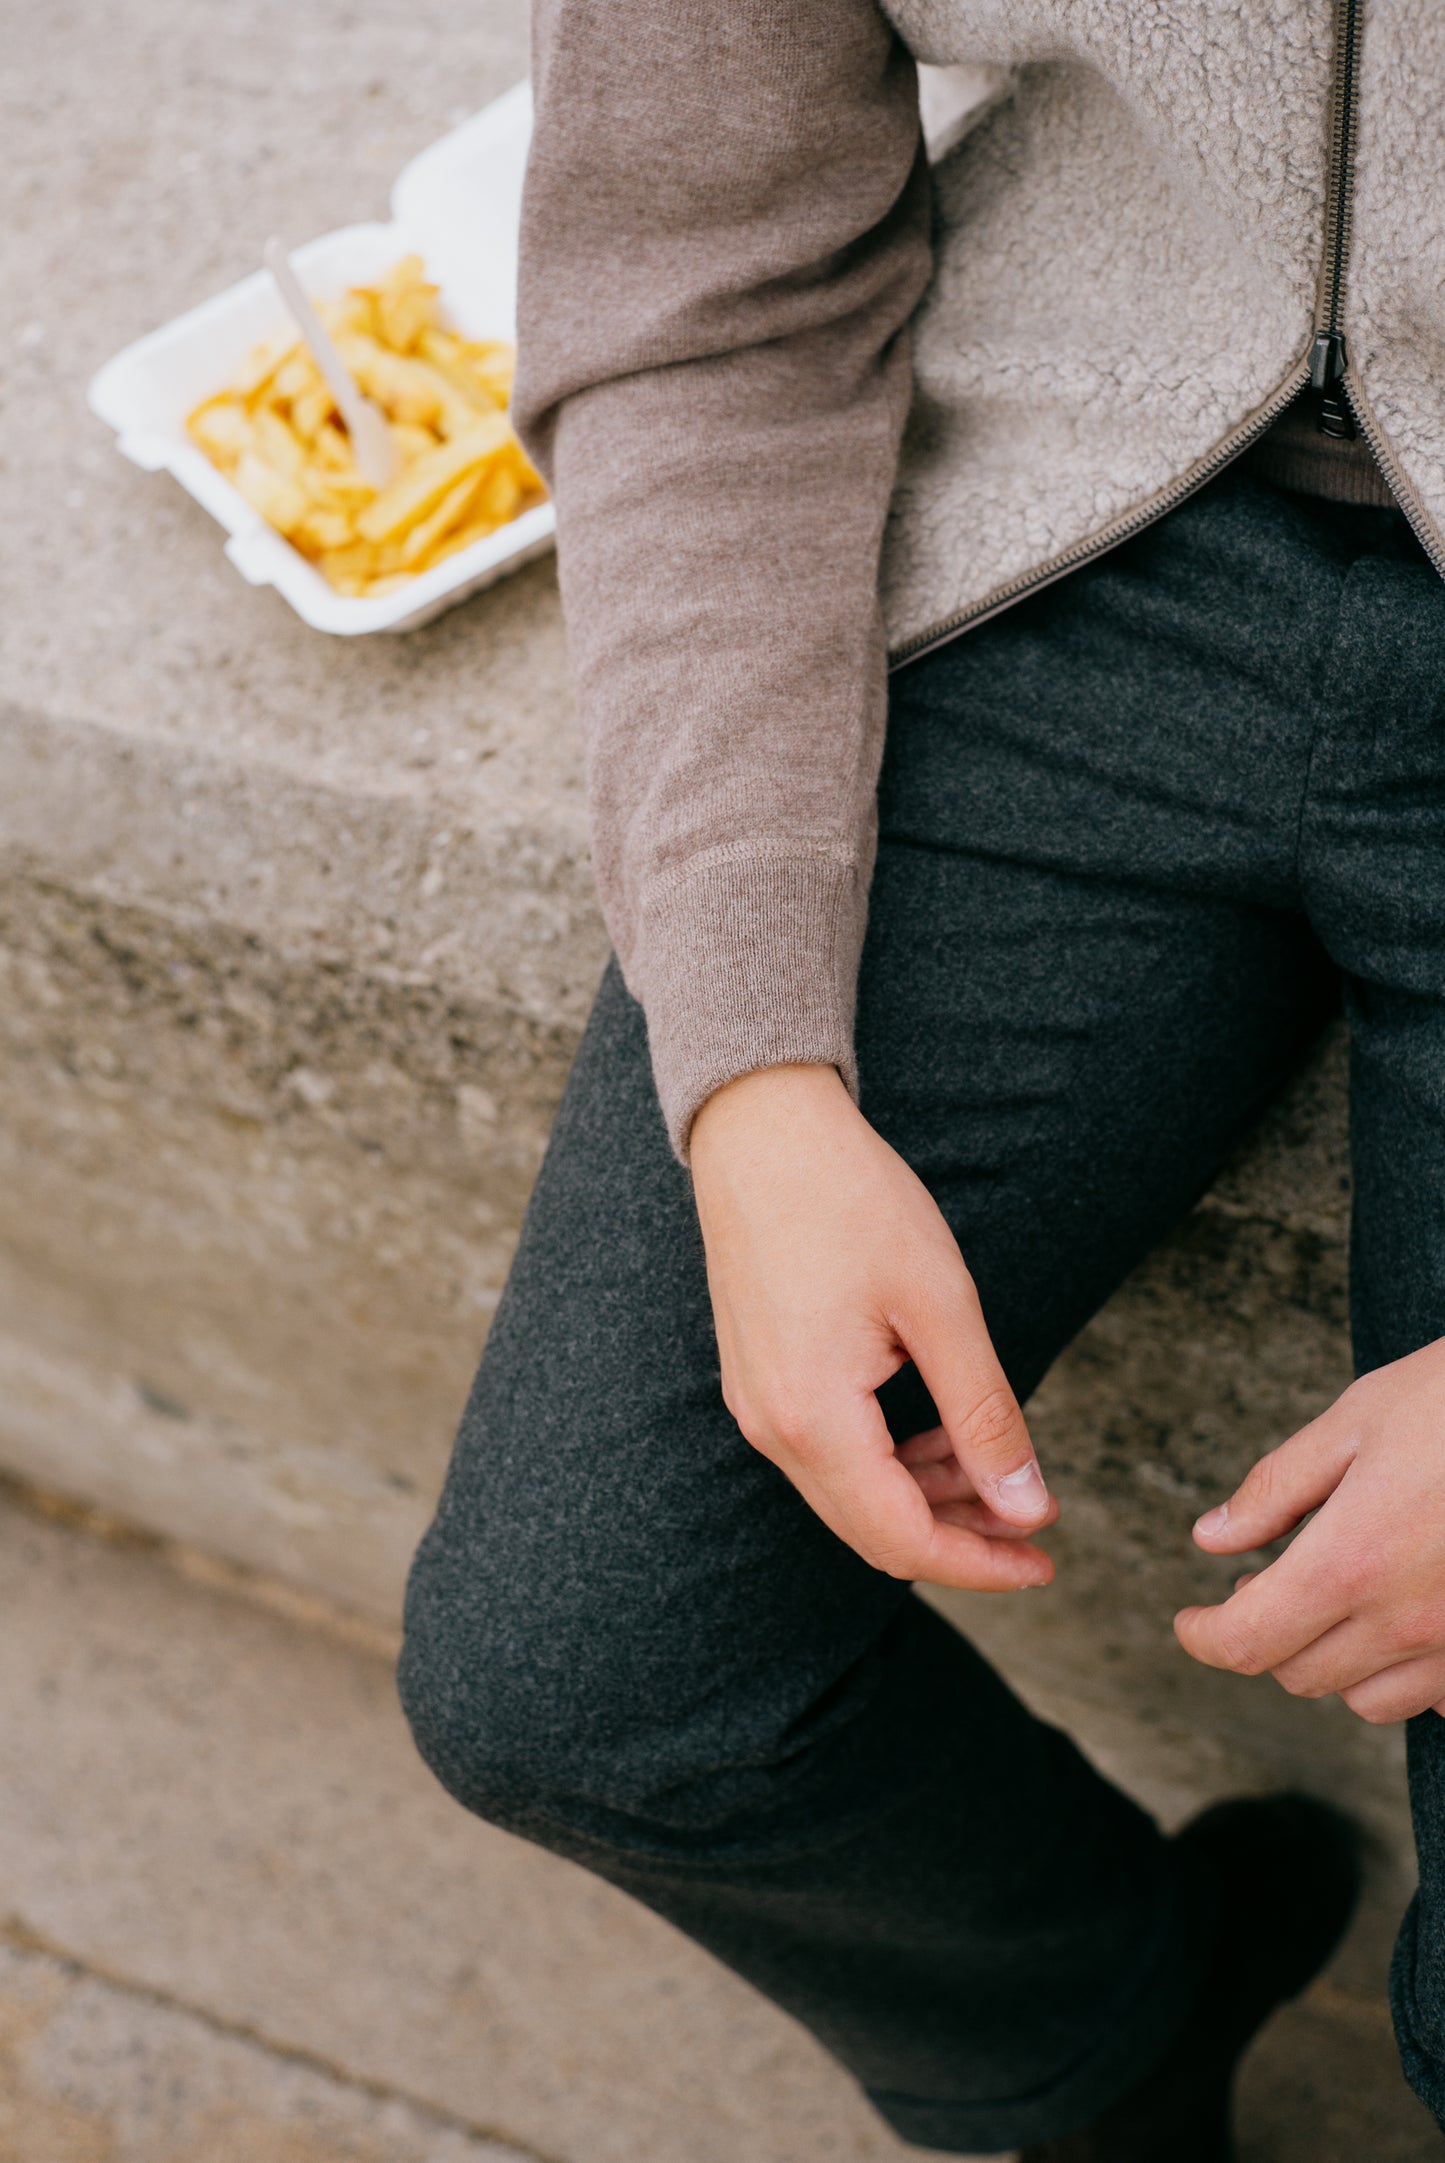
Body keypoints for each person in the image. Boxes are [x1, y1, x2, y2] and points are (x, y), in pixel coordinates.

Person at [398, 4, 1445, 2155]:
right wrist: (752, 1068)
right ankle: (1114, 2039)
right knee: (586, 1667)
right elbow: (699, 281)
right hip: (1068, 531)